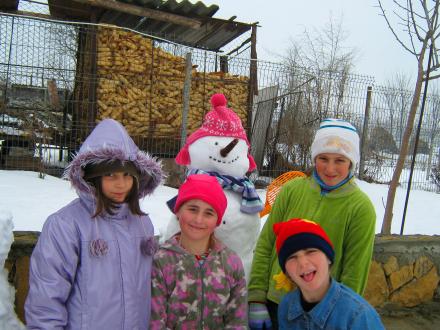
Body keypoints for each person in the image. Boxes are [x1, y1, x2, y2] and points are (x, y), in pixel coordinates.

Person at [25, 118, 164, 329]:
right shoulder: (66, 225)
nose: (121, 184)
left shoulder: (143, 223)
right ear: (91, 177)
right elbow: (46, 299)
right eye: (110, 175)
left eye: (127, 175)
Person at [248, 118, 376, 329]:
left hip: (319, 314)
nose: (330, 168)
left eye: (340, 160)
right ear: (314, 157)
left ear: (352, 162)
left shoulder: (360, 208)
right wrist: (256, 297)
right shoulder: (291, 190)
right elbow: (266, 244)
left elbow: (355, 273)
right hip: (273, 302)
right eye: (323, 158)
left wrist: (341, 317)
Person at [150, 174, 248, 329]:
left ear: (217, 221)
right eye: (192, 209)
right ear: (178, 211)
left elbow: (238, 321)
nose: (198, 220)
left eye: (208, 213)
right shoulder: (162, 261)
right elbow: (155, 321)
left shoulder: (230, 261)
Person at [274, 218, 384, 329]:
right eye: (292, 257)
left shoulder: (358, 316)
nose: (303, 263)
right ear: (286, 272)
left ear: (329, 258)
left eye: (311, 251)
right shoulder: (286, 306)